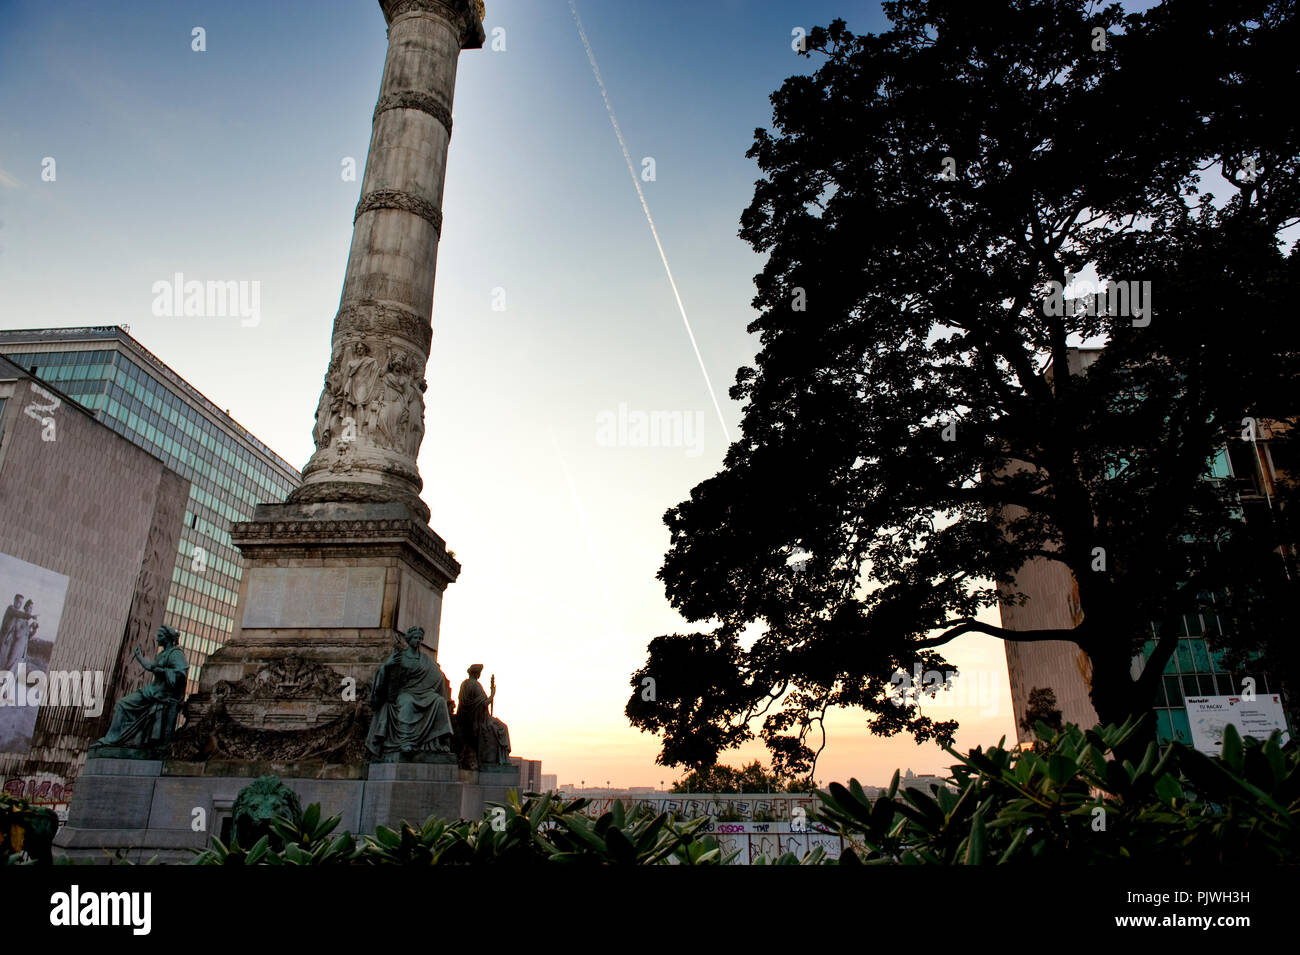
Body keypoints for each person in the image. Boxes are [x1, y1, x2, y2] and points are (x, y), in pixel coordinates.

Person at [366, 626, 454, 759]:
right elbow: (385, 674)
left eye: (420, 638)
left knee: (439, 701)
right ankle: (405, 741)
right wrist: (386, 666)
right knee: (407, 703)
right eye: (415, 638)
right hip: (405, 692)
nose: (418, 640)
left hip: (422, 692)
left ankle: (438, 740)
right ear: (409, 639)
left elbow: (438, 676)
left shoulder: (424, 659)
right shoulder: (399, 656)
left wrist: (444, 694)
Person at [94, 624, 188, 749]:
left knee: (122, 705)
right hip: (151, 691)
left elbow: (181, 673)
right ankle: (116, 739)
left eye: (160, 636)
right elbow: (151, 666)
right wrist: (139, 657)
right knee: (121, 705)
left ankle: (113, 740)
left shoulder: (175, 654)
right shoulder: (162, 654)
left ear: (167, 638)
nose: (157, 638)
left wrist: (162, 671)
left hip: (160, 694)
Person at [0, 597, 36, 673]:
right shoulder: (12, 610)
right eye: (18, 602)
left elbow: (27, 636)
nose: (19, 604)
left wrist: (33, 628)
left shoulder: (23, 620)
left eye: (21, 603)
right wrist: (30, 617)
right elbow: (18, 634)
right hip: (6, 644)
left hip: (18, 649)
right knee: (4, 666)